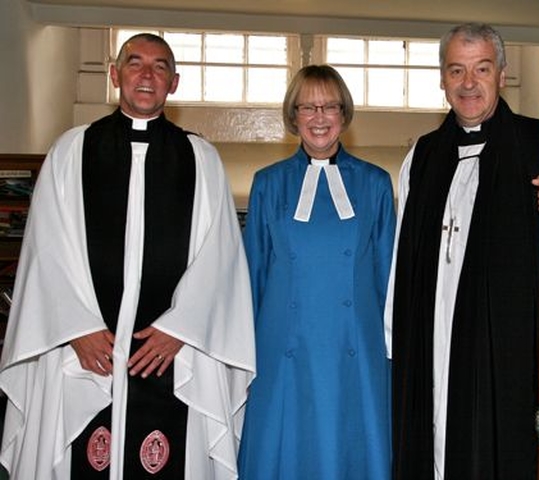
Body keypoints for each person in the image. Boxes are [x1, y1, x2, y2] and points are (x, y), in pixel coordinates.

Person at [0, 33, 255, 479]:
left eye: (160, 67)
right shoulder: (71, 151)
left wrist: (181, 329)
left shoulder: (200, 158)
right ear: (115, 75)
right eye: (135, 63)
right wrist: (77, 328)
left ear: (173, 83)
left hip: (170, 355)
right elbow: (46, 248)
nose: (147, 74)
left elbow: (221, 260)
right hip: (84, 350)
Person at [385, 23, 539, 480]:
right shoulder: (423, 156)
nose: (469, 83)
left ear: (502, 74)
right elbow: (401, 256)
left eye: (481, 69)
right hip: (434, 340)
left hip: (507, 351)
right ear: (443, 79)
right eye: (457, 70)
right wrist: (398, 334)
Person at [238, 65, 396, 479]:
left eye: (329, 106)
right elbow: (252, 274)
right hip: (284, 344)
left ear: (344, 114)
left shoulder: (376, 184)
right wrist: (242, 352)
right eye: (308, 106)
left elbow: (387, 277)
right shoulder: (268, 184)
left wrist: (393, 351)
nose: (319, 117)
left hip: (354, 344)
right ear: (294, 116)